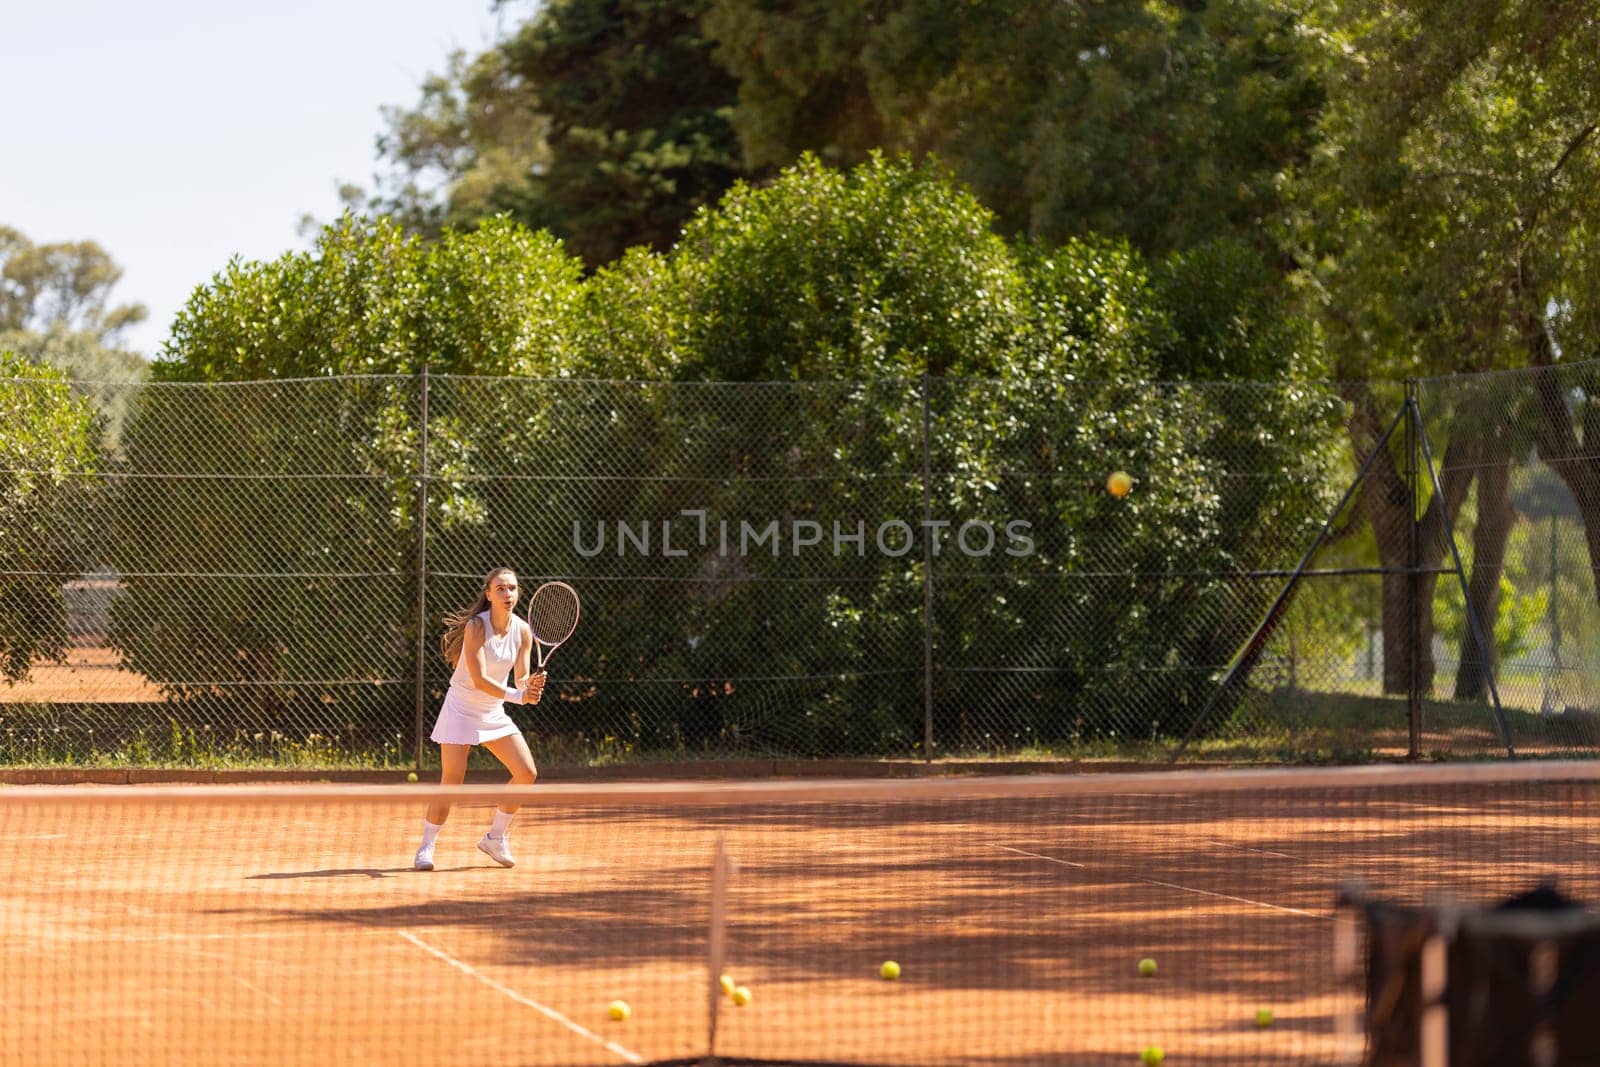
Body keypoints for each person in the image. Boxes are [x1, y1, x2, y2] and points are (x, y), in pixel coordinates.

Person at [414, 566, 545, 871]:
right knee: (452, 781)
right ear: (488, 594)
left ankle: (495, 838)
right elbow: (479, 677)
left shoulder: (523, 631)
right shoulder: (476, 626)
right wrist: (518, 696)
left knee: (526, 773)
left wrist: (530, 687)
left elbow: (521, 676)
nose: (507, 593)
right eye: (500, 588)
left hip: (492, 712)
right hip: (460, 708)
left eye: (512, 588)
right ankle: (426, 847)